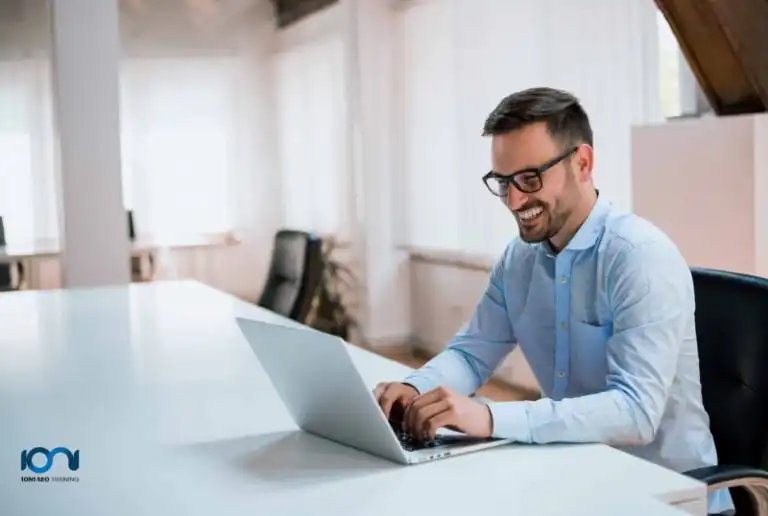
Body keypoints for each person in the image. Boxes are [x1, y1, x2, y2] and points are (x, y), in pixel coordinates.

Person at [374, 87, 732, 515]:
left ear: (583, 163)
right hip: (572, 476)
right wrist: (415, 389)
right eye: (503, 182)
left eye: (529, 179)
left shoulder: (639, 257)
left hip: (666, 495)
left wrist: (489, 418)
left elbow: (635, 411)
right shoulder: (518, 259)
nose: (514, 200)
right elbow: (472, 355)